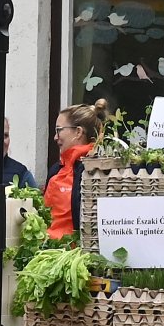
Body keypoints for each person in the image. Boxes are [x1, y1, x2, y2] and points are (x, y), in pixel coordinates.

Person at [43, 98, 109, 241]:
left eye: (59, 130)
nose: (55, 137)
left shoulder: (97, 171)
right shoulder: (57, 169)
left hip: (78, 254)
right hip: (50, 250)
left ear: (78, 132)